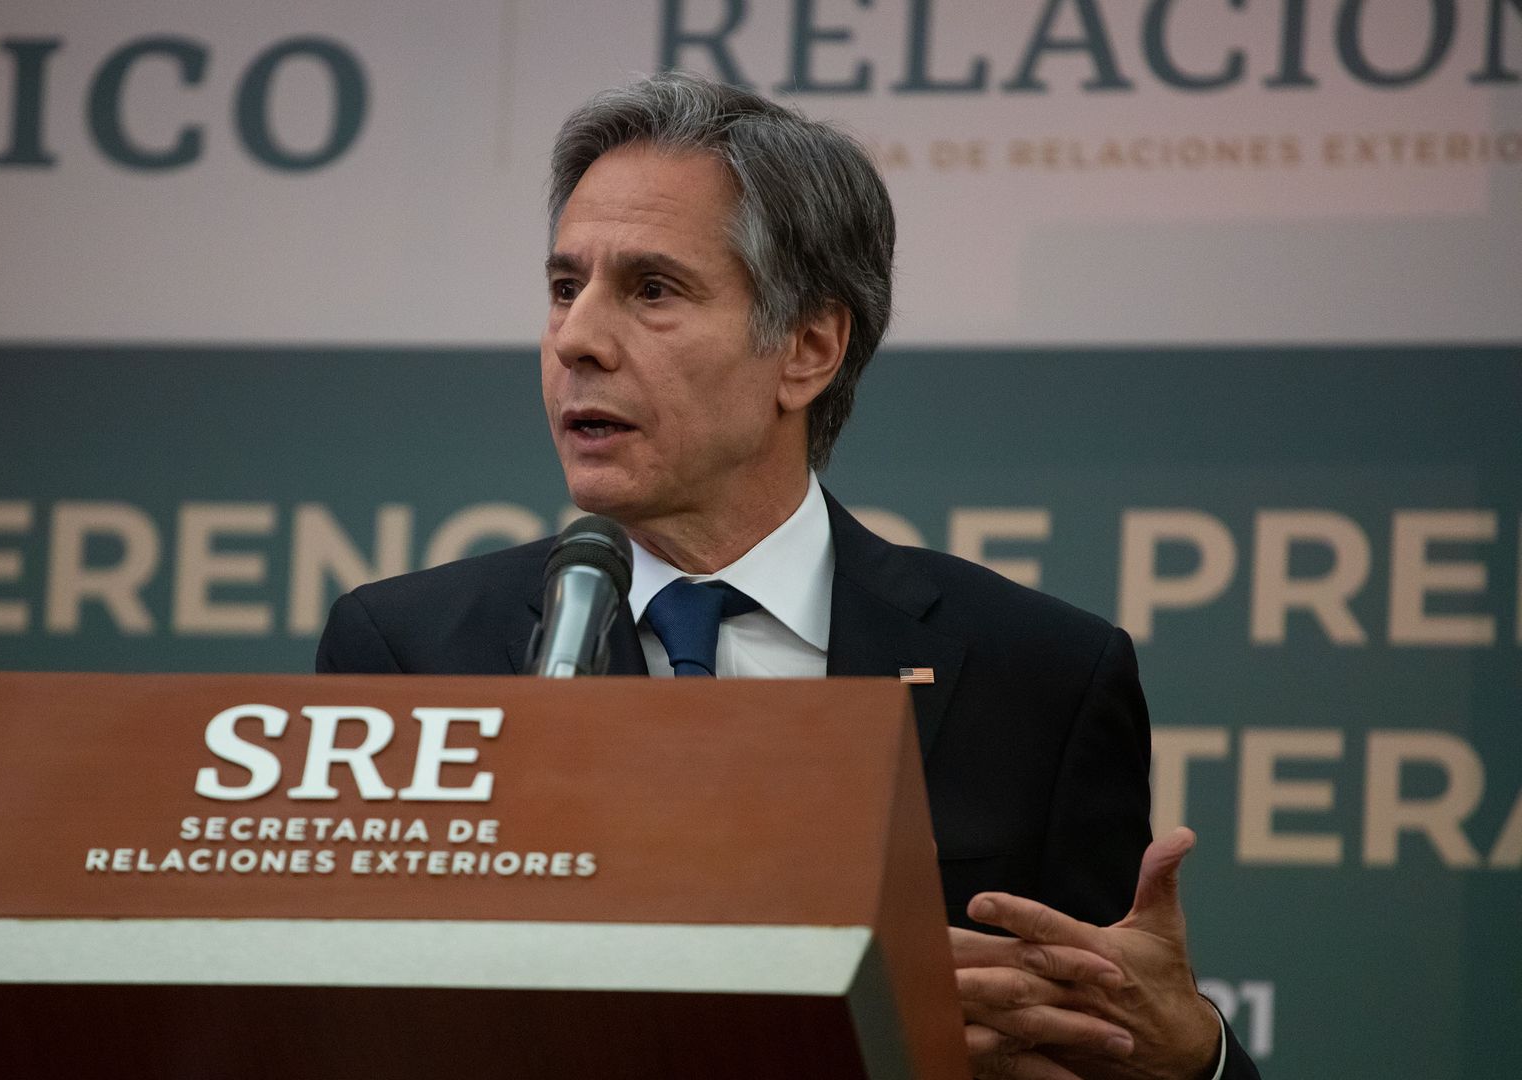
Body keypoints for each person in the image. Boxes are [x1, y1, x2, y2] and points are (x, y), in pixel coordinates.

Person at [317, 71, 1258, 1080]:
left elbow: (1098, 1041)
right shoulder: (409, 652)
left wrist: (1188, 1060)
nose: (576, 341)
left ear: (807, 348)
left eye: (652, 290)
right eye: (563, 287)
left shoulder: (1040, 676)